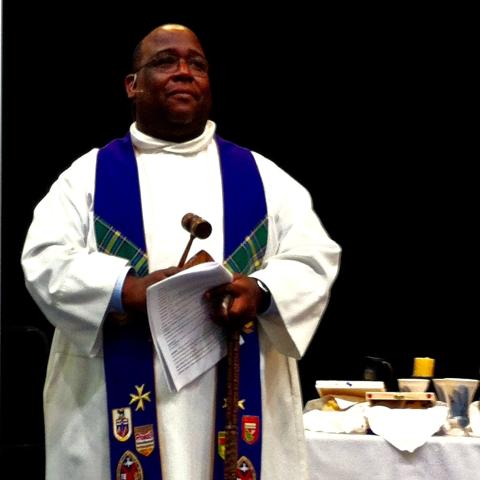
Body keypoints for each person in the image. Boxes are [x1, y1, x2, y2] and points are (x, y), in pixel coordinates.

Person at [21, 23, 341, 480]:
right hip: (116, 400)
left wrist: (261, 291)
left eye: (197, 64)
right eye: (166, 61)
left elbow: (314, 258)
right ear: (132, 85)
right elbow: (45, 260)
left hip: (235, 391)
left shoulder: (263, 177)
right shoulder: (87, 177)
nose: (184, 72)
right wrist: (124, 291)